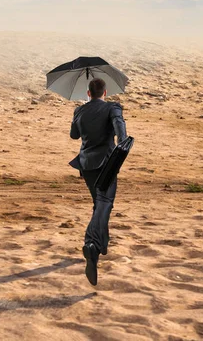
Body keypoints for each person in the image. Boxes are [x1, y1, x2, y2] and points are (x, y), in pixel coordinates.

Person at [70, 78, 127, 285]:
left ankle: (102, 244)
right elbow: (120, 129)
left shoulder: (79, 111)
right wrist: (123, 142)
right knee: (105, 203)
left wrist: (80, 114)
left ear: (88, 93)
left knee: (99, 203)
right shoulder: (113, 107)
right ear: (105, 92)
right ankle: (91, 244)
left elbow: (73, 135)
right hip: (106, 163)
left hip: (86, 165)